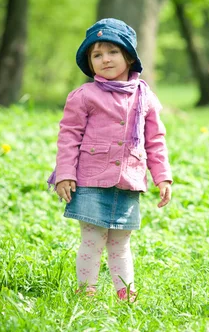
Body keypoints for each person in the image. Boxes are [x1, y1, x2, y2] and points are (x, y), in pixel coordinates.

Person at [47, 18, 173, 302]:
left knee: (121, 244)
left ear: (129, 56)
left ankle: (125, 295)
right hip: (91, 180)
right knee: (91, 241)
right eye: (97, 54)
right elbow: (69, 137)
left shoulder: (145, 97)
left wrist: (162, 176)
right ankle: (86, 293)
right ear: (89, 62)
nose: (105, 59)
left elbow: (155, 139)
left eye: (113, 52)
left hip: (128, 181)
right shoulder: (84, 96)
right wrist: (65, 174)